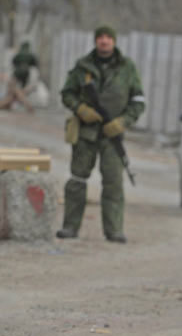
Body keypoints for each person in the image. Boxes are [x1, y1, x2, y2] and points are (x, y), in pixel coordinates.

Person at [57, 25, 145, 243]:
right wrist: (81, 110)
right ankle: (70, 227)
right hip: (86, 133)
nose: (104, 41)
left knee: (113, 182)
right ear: (95, 41)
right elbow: (67, 94)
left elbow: (138, 101)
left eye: (108, 38)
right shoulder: (83, 67)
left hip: (112, 136)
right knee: (77, 179)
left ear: (114, 41)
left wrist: (123, 122)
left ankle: (114, 230)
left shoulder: (127, 68)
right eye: (101, 38)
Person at [0, 41, 39, 112]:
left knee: (15, 92)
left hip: (16, 74)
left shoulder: (19, 54)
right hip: (25, 75)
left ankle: (28, 106)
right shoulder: (31, 55)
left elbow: (13, 63)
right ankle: (7, 105)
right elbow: (35, 64)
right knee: (16, 92)